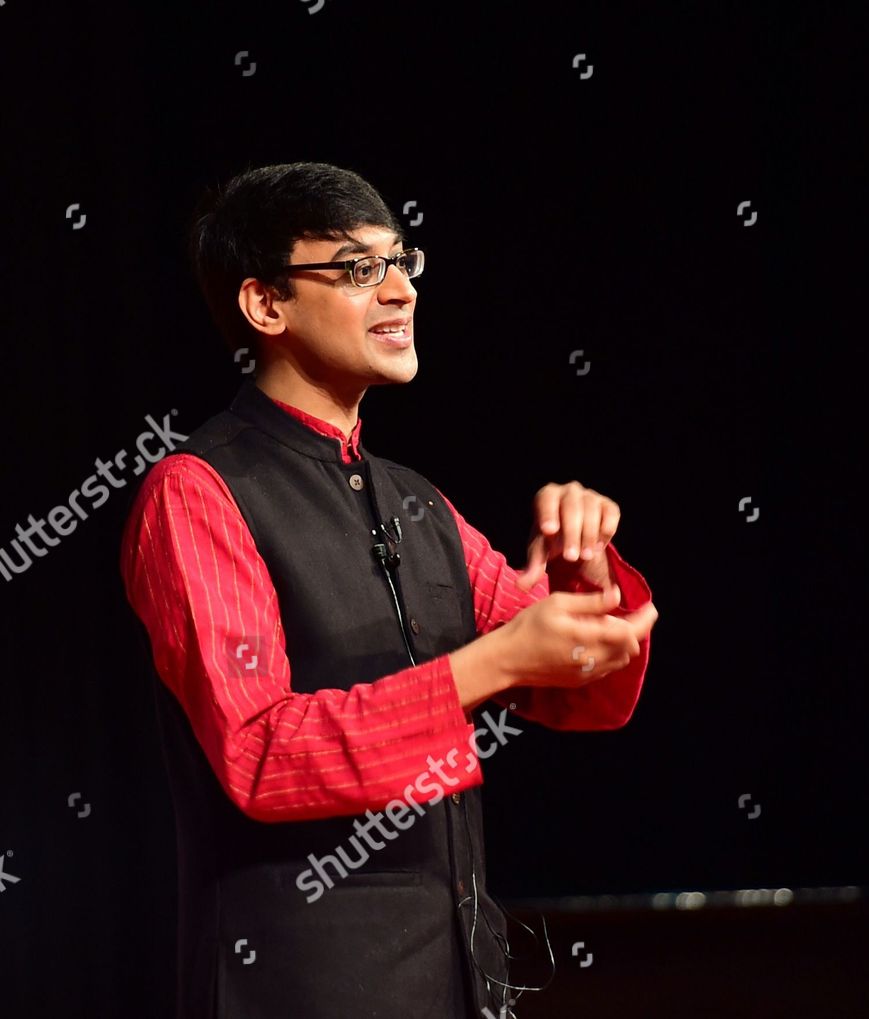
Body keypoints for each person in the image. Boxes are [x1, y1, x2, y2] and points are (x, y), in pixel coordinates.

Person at [119, 161, 659, 1019]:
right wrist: (484, 666)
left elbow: (585, 689)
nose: (400, 289)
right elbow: (261, 754)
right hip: (298, 988)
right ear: (266, 305)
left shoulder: (419, 503)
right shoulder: (198, 491)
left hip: (451, 983)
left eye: (401, 260)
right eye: (357, 268)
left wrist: (586, 574)